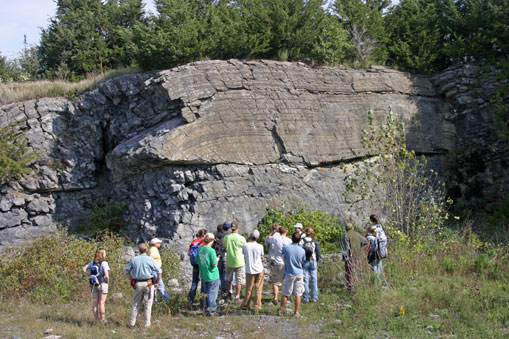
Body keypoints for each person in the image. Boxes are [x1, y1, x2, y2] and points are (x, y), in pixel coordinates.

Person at [125, 243, 162, 329]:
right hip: (149, 283)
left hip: (138, 283)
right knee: (148, 304)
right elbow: (159, 272)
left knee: (135, 304)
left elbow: (127, 271)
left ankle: (131, 323)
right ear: (146, 250)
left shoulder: (134, 259)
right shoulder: (150, 260)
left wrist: (131, 280)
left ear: (138, 250)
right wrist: (157, 282)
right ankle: (147, 324)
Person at [279, 232, 306, 317]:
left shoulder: (286, 248)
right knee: (298, 294)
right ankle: (296, 312)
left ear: (292, 239)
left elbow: (282, 255)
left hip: (289, 273)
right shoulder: (302, 250)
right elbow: (303, 261)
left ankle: (281, 309)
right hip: (299, 273)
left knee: (286, 293)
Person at [82, 248, 110, 323]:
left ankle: (96, 320)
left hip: (94, 284)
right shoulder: (104, 263)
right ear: (102, 254)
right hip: (102, 284)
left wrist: (90, 275)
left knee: (95, 302)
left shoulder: (92, 263)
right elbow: (107, 276)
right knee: (101, 303)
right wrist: (108, 283)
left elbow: (84, 268)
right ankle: (102, 320)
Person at [265, 225, 291, 304]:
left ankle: (275, 298)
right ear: (286, 231)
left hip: (278, 262)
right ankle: (287, 297)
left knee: (276, 281)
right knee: (287, 281)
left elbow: (268, 238)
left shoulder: (276, 238)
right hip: (286, 262)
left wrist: (274, 232)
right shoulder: (289, 240)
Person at [196, 233, 221, 316]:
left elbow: (198, 260)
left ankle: (205, 308)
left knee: (206, 293)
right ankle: (212, 310)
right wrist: (217, 259)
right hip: (212, 275)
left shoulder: (200, 249)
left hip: (204, 274)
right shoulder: (211, 251)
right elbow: (214, 264)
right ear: (212, 241)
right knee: (212, 293)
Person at [241, 230, 265, 311]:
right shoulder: (260, 246)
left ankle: (245, 304)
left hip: (249, 269)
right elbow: (262, 256)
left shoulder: (245, 246)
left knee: (248, 288)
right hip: (259, 269)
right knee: (258, 288)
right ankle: (257, 306)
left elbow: (243, 254)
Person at [223, 221, 246, 301]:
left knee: (228, 278)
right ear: (237, 228)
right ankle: (237, 296)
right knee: (238, 280)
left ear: (231, 228)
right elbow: (244, 248)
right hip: (239, 261)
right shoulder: (241, 238)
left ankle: (230, 292)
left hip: (229, 260)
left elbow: (225, 245)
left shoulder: (227, 237)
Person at [341, 223, 368, 290]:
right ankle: (356, 286)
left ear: (346, 229)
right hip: (357, 255)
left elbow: (346, 248)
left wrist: (345, 258)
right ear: (352, 228)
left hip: (350, 257)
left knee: (349, 272)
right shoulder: (357, 234)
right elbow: (365, 241)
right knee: (355, 271)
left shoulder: (346, 236)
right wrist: (360, 248)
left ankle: (351, 288)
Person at [300, 227, 322, 303]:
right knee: (314, 280)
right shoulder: (314, 241)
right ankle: (315, 298)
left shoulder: (302, 241)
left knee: (305, 280)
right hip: (313, 261)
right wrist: (317, 259)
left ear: (305, 232)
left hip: (305, 261)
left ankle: (306, 298)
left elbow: (300, 251)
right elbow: (318, 252)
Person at [188, 228, 207, 304]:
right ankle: (203, 301)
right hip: (202, 264)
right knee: (203, 282)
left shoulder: (193, 242)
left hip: (195, 264)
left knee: (194, 282)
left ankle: (190, 300)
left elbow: (189, 253)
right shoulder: (205, 242)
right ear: (204, 235)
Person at [148, 238, 171, 302]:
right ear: (155, 244)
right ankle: (168, 300)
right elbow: (150, 258)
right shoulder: (154, 250)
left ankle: (154, 301)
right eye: (159, 243)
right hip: (155, 271)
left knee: (153, 287)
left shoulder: (152, 249)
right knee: (160, 286)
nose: (160, 244)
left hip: (153, 271)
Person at [213, 222, 231, 294]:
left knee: (218, 274)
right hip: (225, 256)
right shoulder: (229, 236)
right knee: (225, 274)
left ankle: (219, 290)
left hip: (217, 256)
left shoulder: (216, 235)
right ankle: (225, 290)